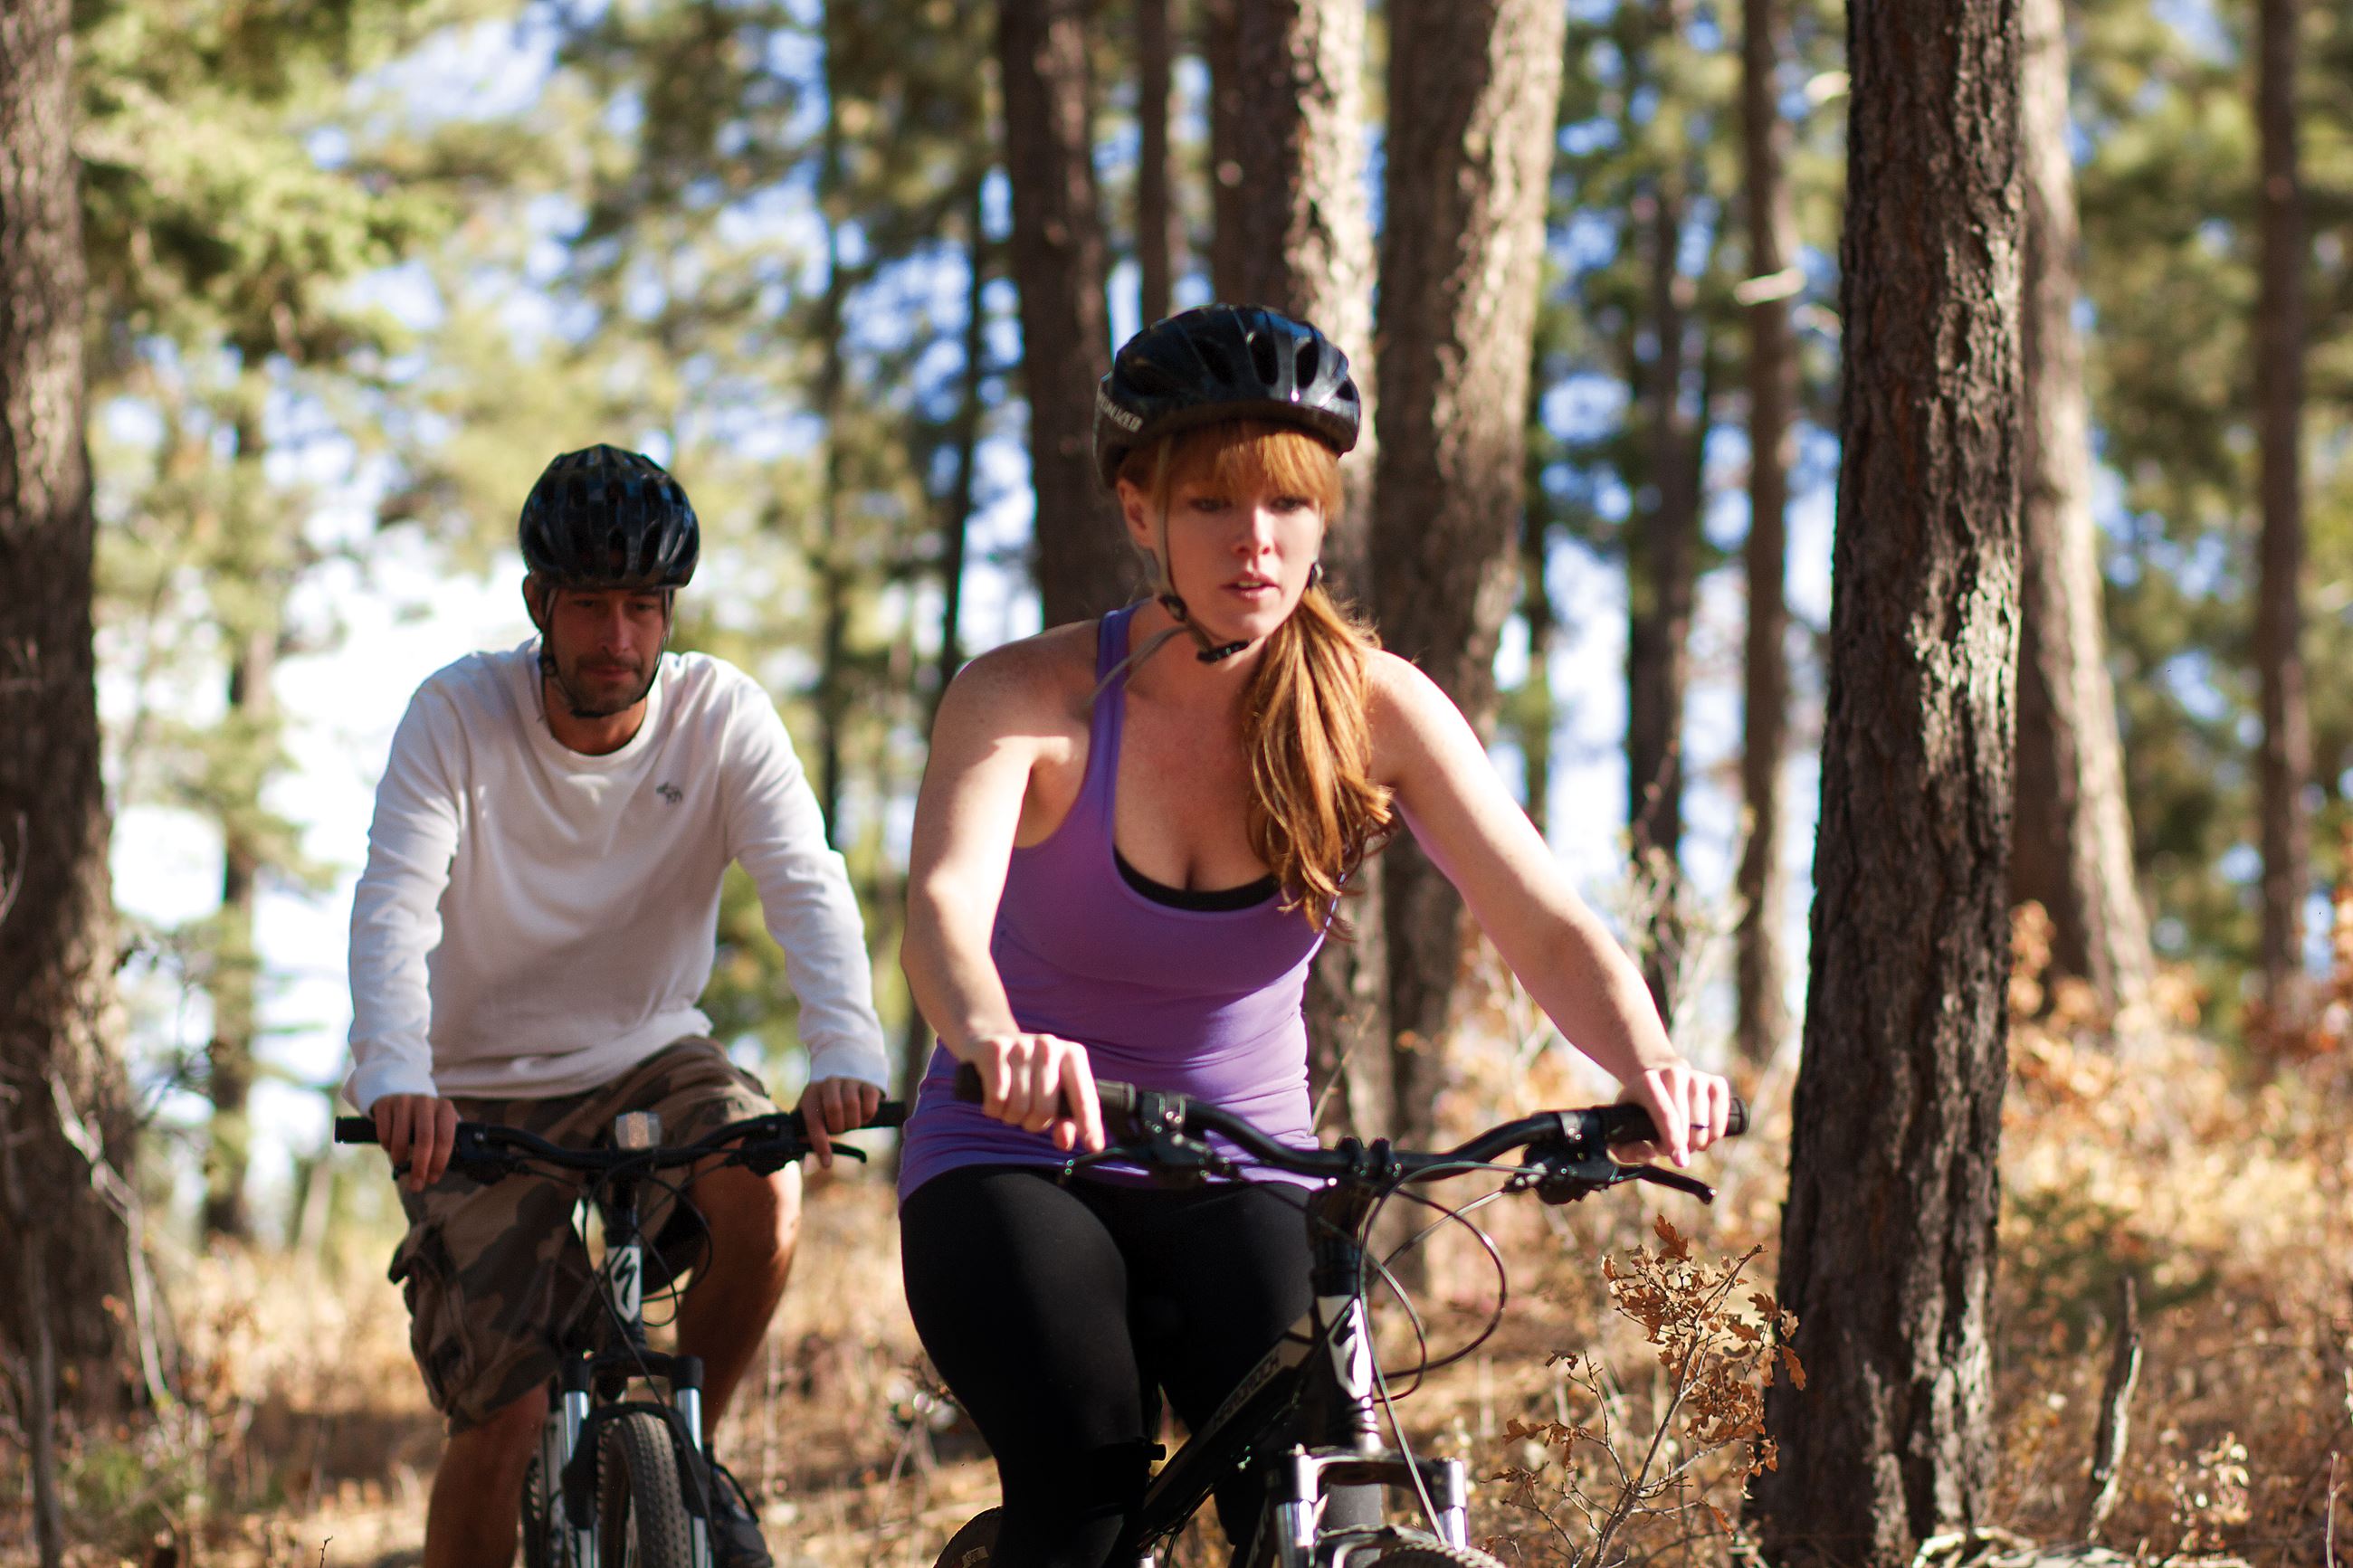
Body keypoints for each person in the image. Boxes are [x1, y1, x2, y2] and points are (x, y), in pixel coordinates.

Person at [894, 305, 1736, 1566]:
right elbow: (943, 912)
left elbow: (1545, 920)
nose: (1256, 540)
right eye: (1214, 505)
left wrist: (1646, 1063)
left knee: (1322, 1488)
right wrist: (995, 1037)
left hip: (1242, 1165)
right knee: (1085, 1467)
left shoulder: (1371, 710)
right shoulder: (1025, 698)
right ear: (1140, 512)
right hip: (1015, 1150)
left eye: (1290, 504)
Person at [345, 444, 889, 1568]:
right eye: (590, 607)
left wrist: (844, 1047)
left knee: (763, 1186)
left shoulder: (720, 715)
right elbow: (392, 903)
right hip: (475, 1089)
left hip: (651, 1052)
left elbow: (804, 879)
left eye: (642, 606)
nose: (619, 638)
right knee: (502, 1415)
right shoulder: (455, 713)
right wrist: (395, 1072)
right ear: (539, 601)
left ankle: (690, 1461)